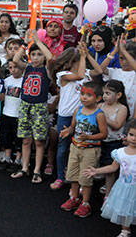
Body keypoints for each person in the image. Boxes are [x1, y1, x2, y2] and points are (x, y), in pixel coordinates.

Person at [53, 44, 100, 190]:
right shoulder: (62, 75)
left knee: (81, 147)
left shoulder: (85, 72)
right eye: (78, 60)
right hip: (66, 115)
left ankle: (78, 178)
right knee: (63, 147)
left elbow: (98, 70)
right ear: (71, 62)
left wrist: (87, 55)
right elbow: (79, 76)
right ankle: (61, 176)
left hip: (83, 116)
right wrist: (83, 56)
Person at [10, 30, 53, 183]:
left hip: (40, 107)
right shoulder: (28, 67)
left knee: (39, 140)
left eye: (38, 54)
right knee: (26, 139)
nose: (35, 58)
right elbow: (15, 59)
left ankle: (36, 170)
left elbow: (50, 57)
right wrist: (25, 43)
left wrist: (39, 42)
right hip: (25, 105)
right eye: (33, 54)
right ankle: (24, 167)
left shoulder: (46, 69)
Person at [60, 81, 107, 218]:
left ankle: (85, 203)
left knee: (86, 177)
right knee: (73, 175)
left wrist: (89, 136)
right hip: (75, 147)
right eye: (82, 94)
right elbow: (73, 126)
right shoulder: (77, 110)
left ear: (98, 98)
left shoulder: (99, 114)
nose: (84, 97)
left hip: (90, 150)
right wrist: (68, 131)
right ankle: (74, 198)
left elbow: (104, 134)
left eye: (88, 95)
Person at [85, 118, 136, 237]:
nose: (134, 138)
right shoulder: (120, 153)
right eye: (131, 135)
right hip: (124, 187)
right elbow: (113, 167)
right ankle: (125, 230)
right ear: (126, 134)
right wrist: (96, 171)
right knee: (125, 208)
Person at [98, 80, 129, 197]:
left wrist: (104, 117)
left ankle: (108, 191)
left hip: (115, 142)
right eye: (104, 93)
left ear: (118, 95)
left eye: (108, 93)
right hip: (101, 139)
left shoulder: (122, 108)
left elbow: (117, 125)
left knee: (111, 167)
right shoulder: (101, 105)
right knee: (101, 161)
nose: (104, 96)